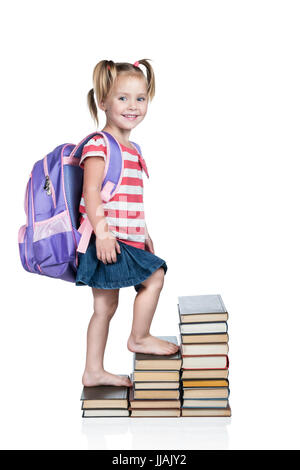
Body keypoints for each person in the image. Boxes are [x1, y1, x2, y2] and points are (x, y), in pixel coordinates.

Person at [76, 59, 179, 388]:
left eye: (140, 98)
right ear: (103, 101)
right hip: (107, 240)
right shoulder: (99, 144)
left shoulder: (132, 148)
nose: (133, 106)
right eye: (122, 98)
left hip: (127, 238)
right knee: (155, 276)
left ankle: (94, 370)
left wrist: (144, 233)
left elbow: (128, 196)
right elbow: (91, 192)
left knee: (105, 306)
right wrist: (103, 235)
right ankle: (139, 337)